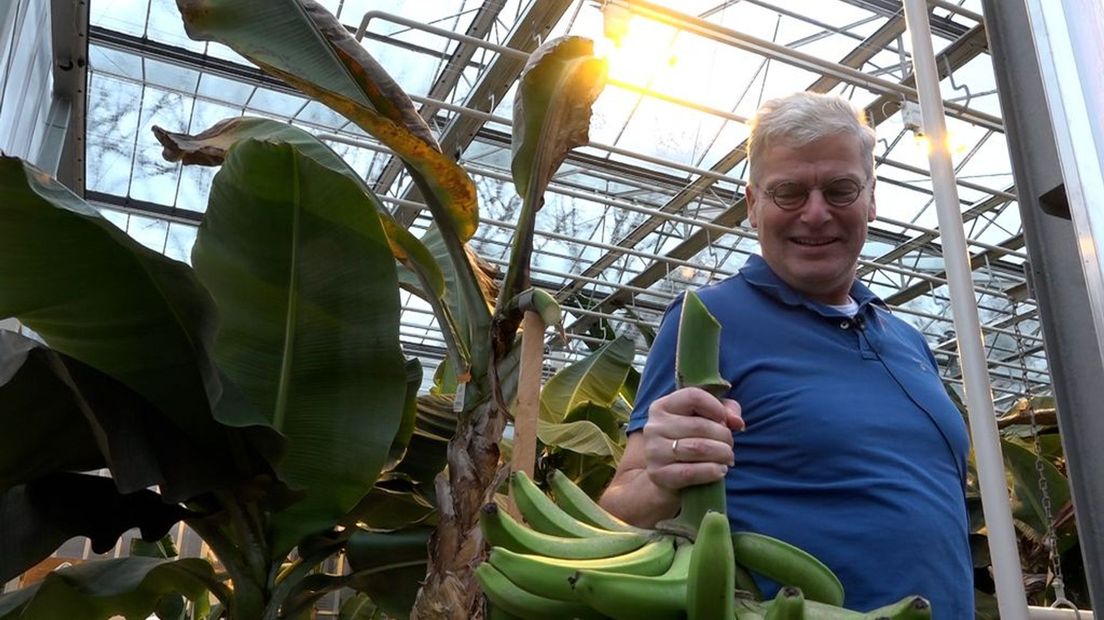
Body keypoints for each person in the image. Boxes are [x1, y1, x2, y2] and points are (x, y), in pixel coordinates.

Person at [598, 91, 973, 616]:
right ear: (753, 205)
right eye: (789, 192)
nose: (816, 214)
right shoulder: (706, 319)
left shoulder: (909, 341)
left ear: (871, 199)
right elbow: (618, 513)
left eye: (840, 190)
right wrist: (662, 476)